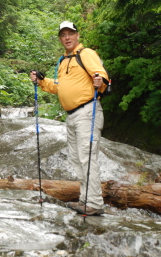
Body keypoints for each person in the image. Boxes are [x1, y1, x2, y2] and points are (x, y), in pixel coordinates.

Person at [30, 21, 108, 215]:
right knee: (76, 159)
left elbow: (100, 75)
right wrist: (42, 81)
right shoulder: (63, 61)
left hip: (87, 112)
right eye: (63, 34)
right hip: (72, 116)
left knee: (87, 157)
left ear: (77, 35)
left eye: (70, 33)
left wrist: (101, 81)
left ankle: (95, 204)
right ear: (60, 38)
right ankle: (85, 199)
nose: (67, 37)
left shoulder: (86, 54)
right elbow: (60, 87)